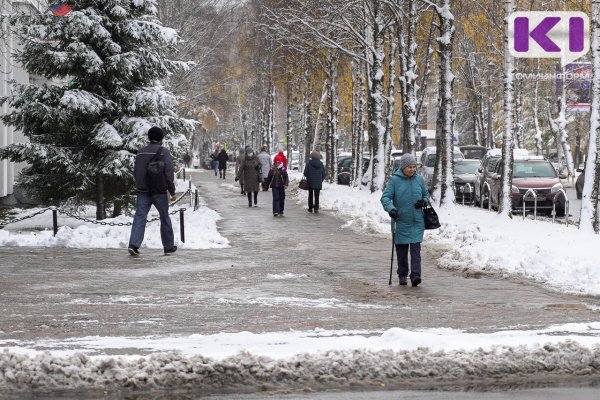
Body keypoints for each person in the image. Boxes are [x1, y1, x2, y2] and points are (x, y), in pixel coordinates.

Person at [380, 153, 429, 287]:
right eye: (409, 167)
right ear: (403, 167)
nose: (412, 169)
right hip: (400, 221)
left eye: (414, 167)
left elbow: (426, 194)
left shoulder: (419, 179)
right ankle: (402, 274)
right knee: (401, 251)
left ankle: (415, 275)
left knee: (415, 250)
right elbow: (385, 198)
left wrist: (423, 202)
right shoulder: (394, 181)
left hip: (417, 221)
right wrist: (391, 209)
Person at [128, 126, 178, 256]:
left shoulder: (141, 152)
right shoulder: (164, 152)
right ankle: (168, 246)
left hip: (143, 191)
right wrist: (172, 191)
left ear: (149, 137)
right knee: (164, 217)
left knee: (140, 217)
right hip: (159, 191)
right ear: (161, 138)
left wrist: (140, 186)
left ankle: (133, 244)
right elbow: (168, 172)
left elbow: (137, 172)